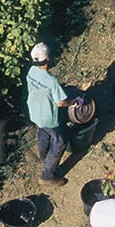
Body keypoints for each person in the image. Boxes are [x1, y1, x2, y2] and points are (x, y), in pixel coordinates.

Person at [26, 43, 75, 184]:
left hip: (35, 111)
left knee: (44, 132)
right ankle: (47, 176)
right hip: (48, 116)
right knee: (60, 141)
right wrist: (72, 102)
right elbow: (60, 103)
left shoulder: (31, 71)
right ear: (47, 58)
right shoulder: (51, 81)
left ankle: (44, 157)